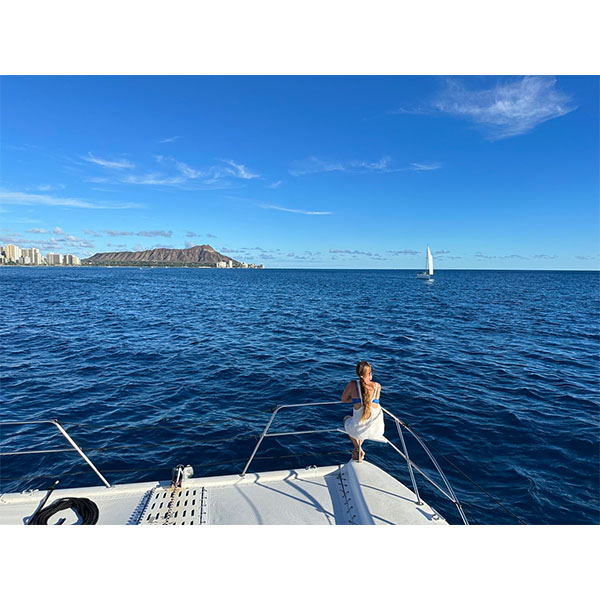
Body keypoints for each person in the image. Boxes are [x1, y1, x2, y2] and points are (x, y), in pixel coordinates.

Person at [341, 361, 385, 462]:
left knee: (346, 419)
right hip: (376, 431)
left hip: (359, 431)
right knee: (365, 425)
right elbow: (372, 401)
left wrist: (355, 400)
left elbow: (343, 399)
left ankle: (357, 448)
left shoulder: (353, 384)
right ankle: (359, 447)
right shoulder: (377, 386)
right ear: (369, 374)